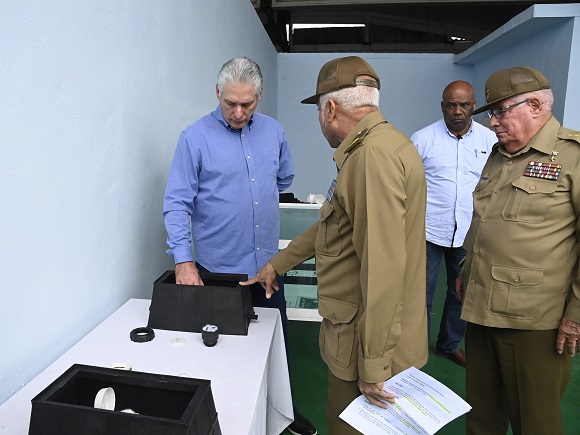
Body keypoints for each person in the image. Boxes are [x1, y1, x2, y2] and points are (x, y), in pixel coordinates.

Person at [242, 56, 429, 434]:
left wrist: (374, 365)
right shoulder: (386, 144)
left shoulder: (370, 158)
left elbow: (382, 268)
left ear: (330, 108)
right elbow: (333, 224)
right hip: (379, 333)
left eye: (318, 110)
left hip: (366, 344)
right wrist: (277, 264)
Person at [163, 57, 316, 435]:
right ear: (218, 93)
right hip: (217, 275)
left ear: (259, 97)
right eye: (230, 102)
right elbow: (177, 203)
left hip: (267, 270)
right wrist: (184, 262)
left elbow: (284, 177)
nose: (237, 111)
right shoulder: (194, 138)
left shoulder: (274, 132)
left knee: (275, 352)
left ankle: (283, 414)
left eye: (247, 104)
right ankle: (224, 423)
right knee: (221, 357)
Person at [457, 66, 580, 435]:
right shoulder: (500, 154)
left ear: (536, 106)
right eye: (491, 114)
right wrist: (466, 272)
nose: (492, 123)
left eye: (500, 111)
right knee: (482, 418)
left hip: (534, 322)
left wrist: (575, 312)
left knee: (535, 422)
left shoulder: (572, 156)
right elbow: (484, 221)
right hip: (481, 311)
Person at [410, 81, 496, 367]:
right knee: (419, 294)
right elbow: (407, 185)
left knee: (461, 293)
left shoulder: (489, 140)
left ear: (474, 105)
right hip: (428, 231)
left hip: (469, 233)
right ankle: (414, 348)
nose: (457, 111)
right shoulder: (422, 139)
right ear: (442, 106)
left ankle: (449, 344)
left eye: (464, 105)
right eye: (451, 105)